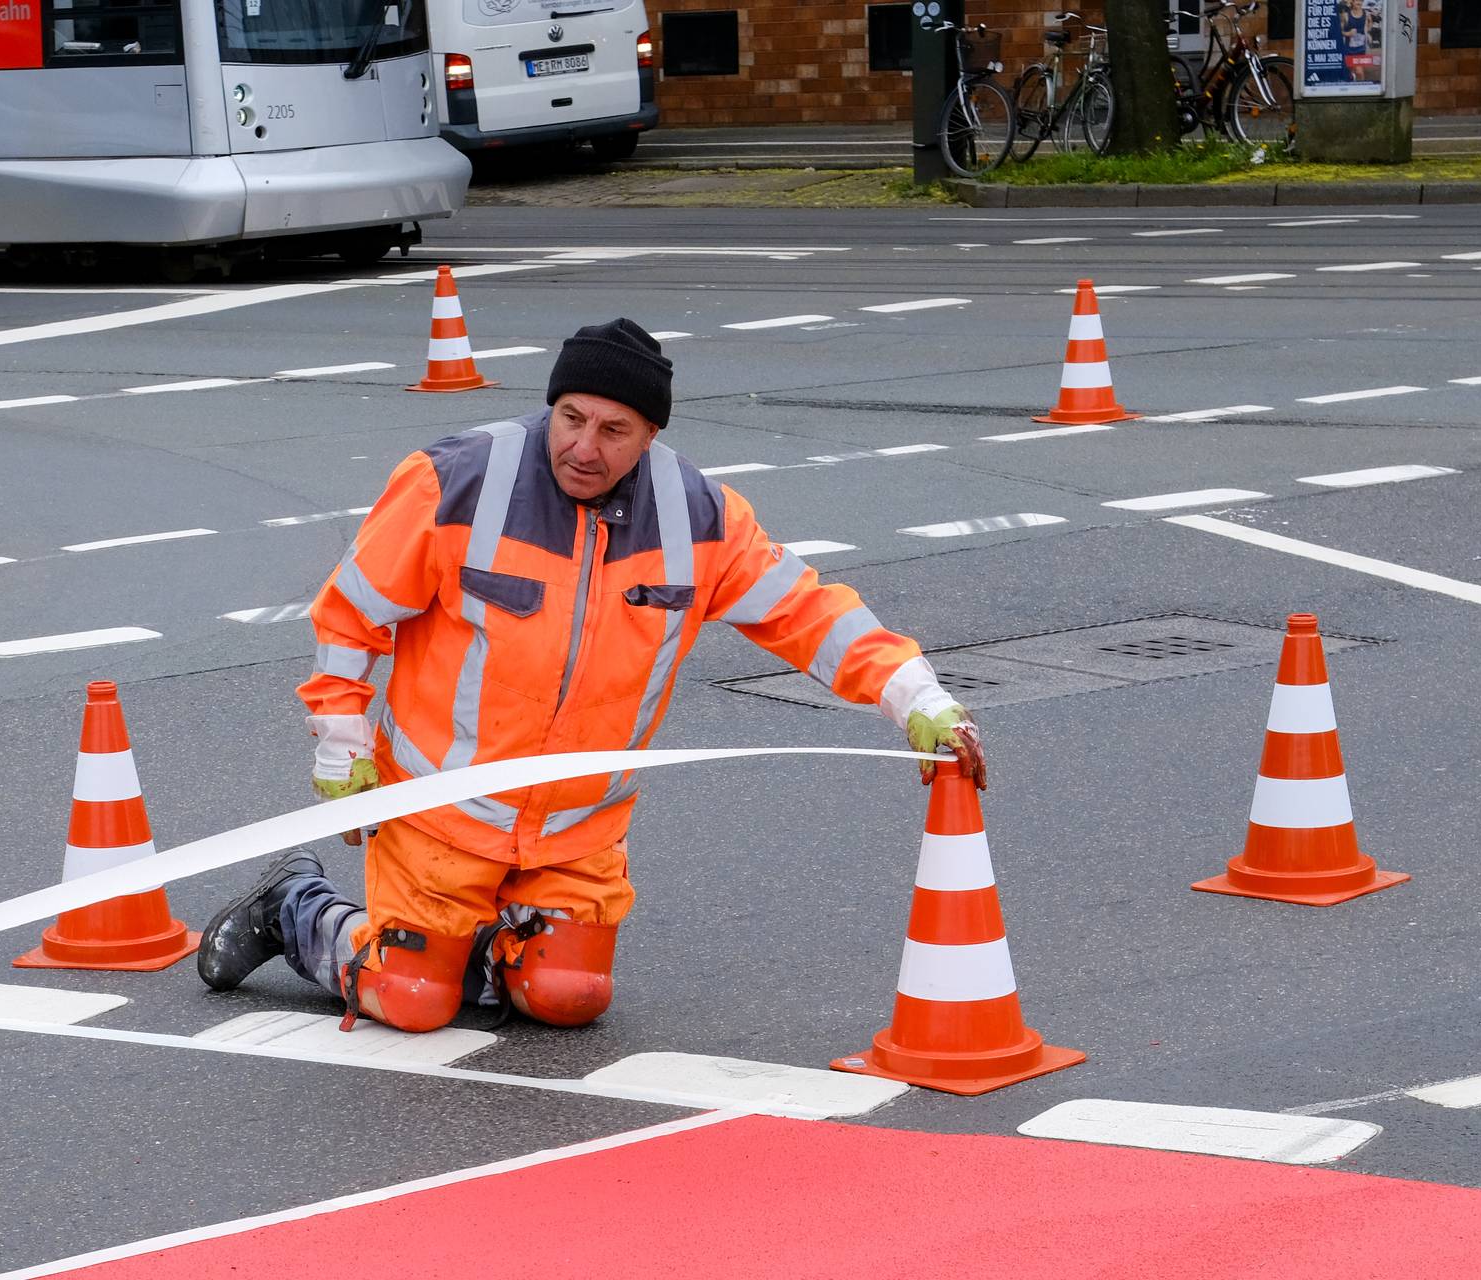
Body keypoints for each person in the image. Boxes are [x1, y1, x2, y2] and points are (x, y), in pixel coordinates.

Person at [197, 319, 987, 1032]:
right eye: (571, 418)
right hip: (442, 810)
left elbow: (810, 614)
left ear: (650, 436)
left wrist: (918, 697)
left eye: (614, 430)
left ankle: (459, 948)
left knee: (569, 996)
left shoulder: (699, 517)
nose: (584, 447)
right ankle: (297, 906)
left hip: (576, 829)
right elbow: (351, 612)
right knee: (409, 999)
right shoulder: (456, 482)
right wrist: (342, 742)